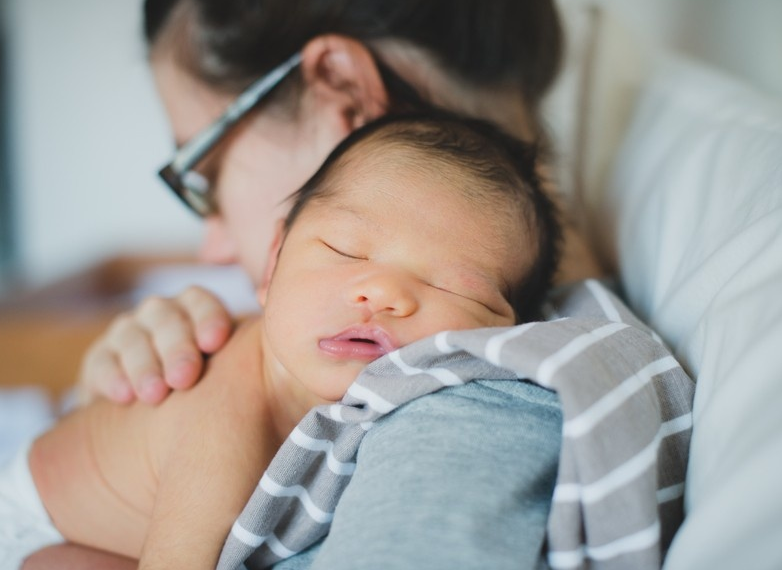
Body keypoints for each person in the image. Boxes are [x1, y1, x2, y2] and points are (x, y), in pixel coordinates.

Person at [26, 0, 597, 567]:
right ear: (279, 253)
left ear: (343, 91)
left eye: (206, 173)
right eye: (343, 250)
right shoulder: (233, 405)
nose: (212, 248)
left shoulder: (493, 399)